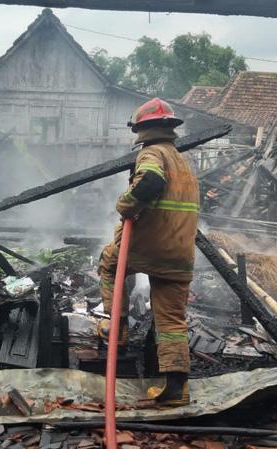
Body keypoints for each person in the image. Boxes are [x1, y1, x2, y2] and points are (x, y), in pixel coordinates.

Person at [97, 98, 197, 406]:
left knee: (109, 263)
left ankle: (119, 329)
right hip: (180, 253)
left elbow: (151, 180)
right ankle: (176, 388)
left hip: (150, 244)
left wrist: (125, 203)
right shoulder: (182, 161)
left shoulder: (152, 153)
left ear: (141, 129)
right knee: (171, 319)